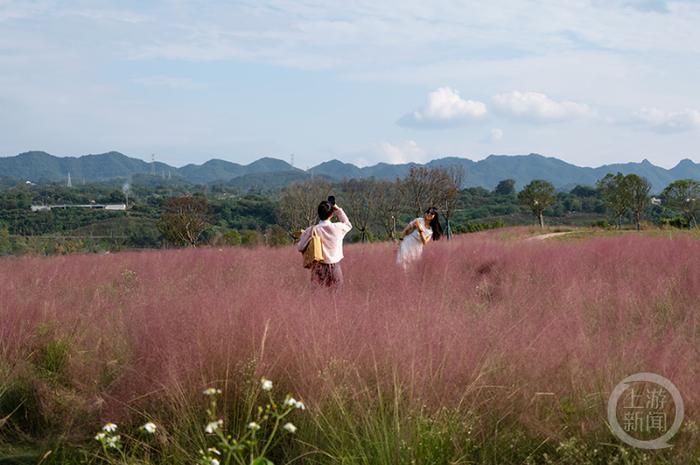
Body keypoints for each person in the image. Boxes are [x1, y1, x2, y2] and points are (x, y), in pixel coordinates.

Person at [297, 199, 352, 288]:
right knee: (336, 298)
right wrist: (338, 210)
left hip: (317, 268)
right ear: (331, 214)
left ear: (319, 214)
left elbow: (300, 247)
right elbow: (348, 225)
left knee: (317, 298)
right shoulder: (338, 228)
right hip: (335, 268)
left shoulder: (311, 230)